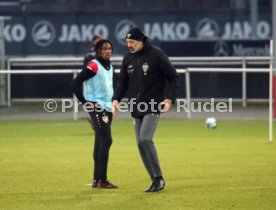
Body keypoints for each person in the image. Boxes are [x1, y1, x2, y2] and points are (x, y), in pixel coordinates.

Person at [112, 28, 178, 192]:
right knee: (140, 144)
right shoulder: (127, 58)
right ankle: (155, 180)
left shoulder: (157, 54)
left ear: (141, 41)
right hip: (136, 106)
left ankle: (159, 178)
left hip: (154, 104)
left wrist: (169, 99)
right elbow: (123, 83)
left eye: (132, 42)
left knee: (145, 139)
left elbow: (173, 77)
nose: (129, 45)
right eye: (127, 42)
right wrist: (115, 99)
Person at [72, 39, 118, 189]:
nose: (107, 51)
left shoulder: (109, 66)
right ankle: (102, 180)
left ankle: (96, 180)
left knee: (100, 143)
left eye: (109, 48)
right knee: (107, 141)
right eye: (104, 49)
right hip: (97, 108)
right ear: (98, 51)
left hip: (107, 108)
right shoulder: (94, 65)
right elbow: (76, 82)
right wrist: (85, 102)